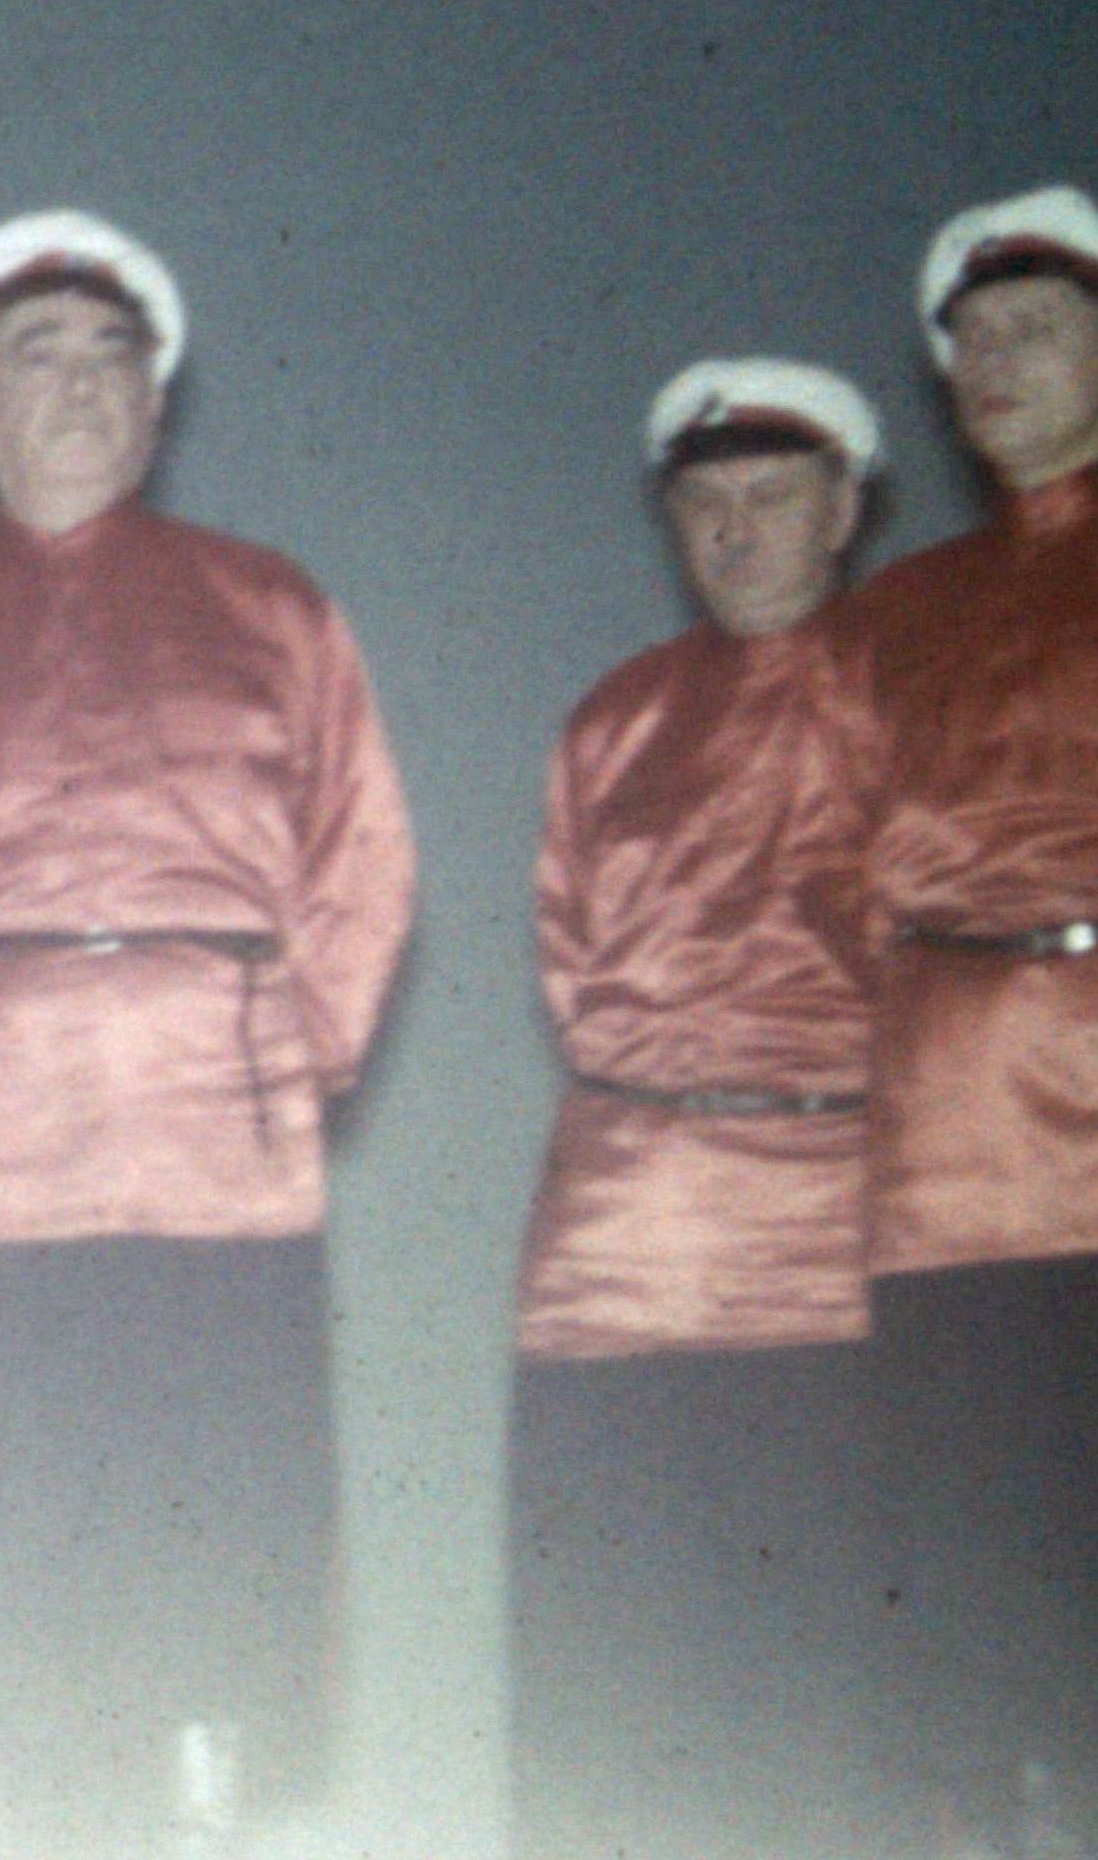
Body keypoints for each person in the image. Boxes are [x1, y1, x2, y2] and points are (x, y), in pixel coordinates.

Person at [0, 208, 412, 1857]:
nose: (74, 387)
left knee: (212, 1567)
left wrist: (263, 1054)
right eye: (34, 356)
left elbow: (361, 863)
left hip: (214, 1170)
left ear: (157, 402)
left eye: (109, 357)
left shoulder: (274, 608)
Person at [502, 357, 894, 1860]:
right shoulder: (614, 717)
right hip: (616, 1253)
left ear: (844, 510)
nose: (736, 532)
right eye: (706, 504)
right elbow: (572, 963)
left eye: (772, 497)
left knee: (821, 1689)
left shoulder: (907, 689)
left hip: (824, 1249)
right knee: (605, 1678)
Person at [844, 183, 1098, 1858]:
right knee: (964, 1624)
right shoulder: (890, 613)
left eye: (1038, 328)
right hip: (943, 1160)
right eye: (972, 339)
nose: (996, 361)